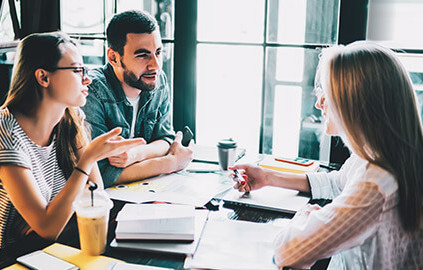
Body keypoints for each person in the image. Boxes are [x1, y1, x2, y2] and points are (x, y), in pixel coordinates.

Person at [0, 32, 145, 262]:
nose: (87, 79)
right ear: (43, 77)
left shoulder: (70, 118)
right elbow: (49, 226)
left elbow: (93, 192)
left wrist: (46, 215)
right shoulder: (4, 131)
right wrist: (86, 161)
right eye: (77, 70)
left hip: (37, 250)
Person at [231, 42, 423, 269]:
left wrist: (305, 216)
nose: (318, 102)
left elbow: (288, 252)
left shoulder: (376, 185)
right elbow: (337, 182)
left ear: (357, 103)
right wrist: (268, 177)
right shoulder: (381, 156)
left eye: (328, 92)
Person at [81, 10, 192, 188]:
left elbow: (165, 139)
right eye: (142, 55)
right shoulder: (92, 92)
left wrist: (136, 154)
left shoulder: (156, 79)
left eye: (158, 52)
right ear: (113, 57)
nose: (155, 65)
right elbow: (100, 174)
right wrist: (169, 163)